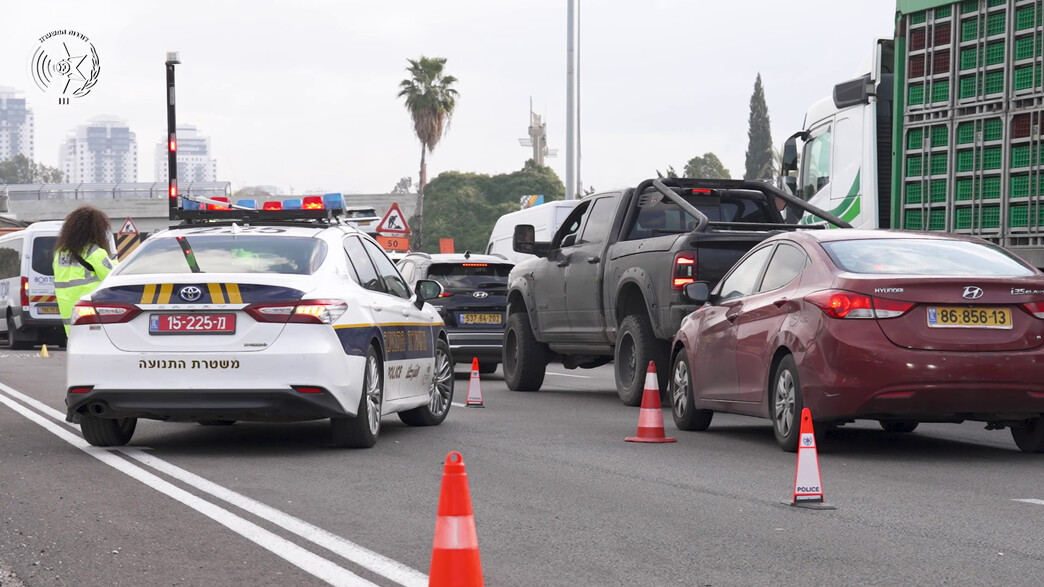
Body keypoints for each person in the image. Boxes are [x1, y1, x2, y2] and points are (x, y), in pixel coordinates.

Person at [53, 206, 118, 334]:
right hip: (91, 315)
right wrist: (115, 261)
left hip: (69, 317)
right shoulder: (93, 252)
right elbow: (113, 277)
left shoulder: (59, 253)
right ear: (96, 231)